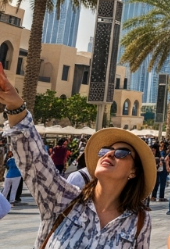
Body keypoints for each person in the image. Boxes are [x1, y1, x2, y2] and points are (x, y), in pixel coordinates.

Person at [0, 64, 155, 248]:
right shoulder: (63, 199)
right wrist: (16, 105)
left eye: (121, 153)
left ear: (133, 172)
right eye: (105, 150)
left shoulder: (139, 222)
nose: (110, 154)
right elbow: (34, 160)